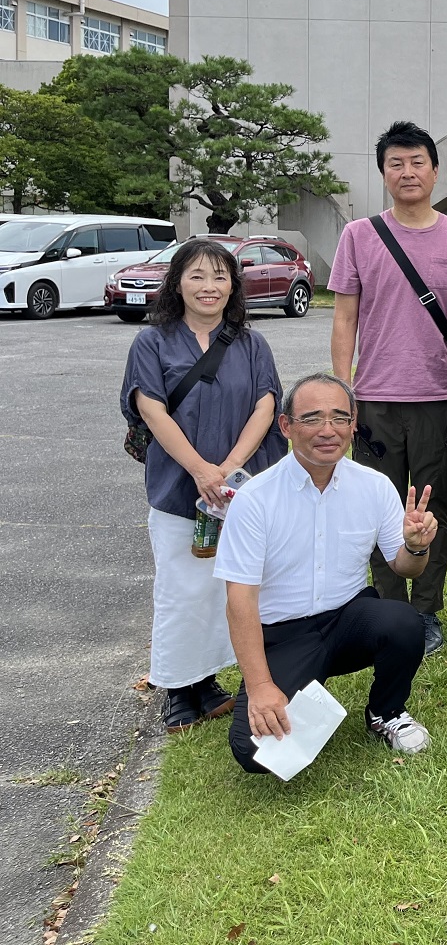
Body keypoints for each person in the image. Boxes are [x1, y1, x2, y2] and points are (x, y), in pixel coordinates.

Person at [215, 373, 438, 769]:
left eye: (339, 418)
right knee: (253, 752)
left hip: (347, 621)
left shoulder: (373, 486)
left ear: (354, 424)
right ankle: (290, 690)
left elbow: (403, 568)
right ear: (286, 426)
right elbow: (240, 601)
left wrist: (415, 547)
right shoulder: (255, 499)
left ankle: (386, 712)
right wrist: (262, 685)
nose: (328, 430)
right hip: (285, 636)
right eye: (312, 418)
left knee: (403, 620)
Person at [329, 121, 447, 656]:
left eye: (417, 161)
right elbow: (344, 319)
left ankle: (426, 610)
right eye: (396, 163)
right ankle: (388, 605)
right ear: (383, 174)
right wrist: (341, 394)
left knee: (433, 505)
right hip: (374, 399)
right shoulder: (359, 236)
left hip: (440, 398)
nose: (408, 172)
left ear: (435, 171)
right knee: (378, 505)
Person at [120, 239, 285, 734]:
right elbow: (150, 406)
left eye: (219, 276)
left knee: (225, 587)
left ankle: (207, 681)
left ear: (233, 284)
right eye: (196, 275)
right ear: (176, 282)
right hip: (178, 486)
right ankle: (176, 687)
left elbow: (266, 404)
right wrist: (199, 470)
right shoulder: (152, 342)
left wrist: (229, 470)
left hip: (240, 489)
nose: (208, 287)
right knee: (179, 588)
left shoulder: (251, 343)